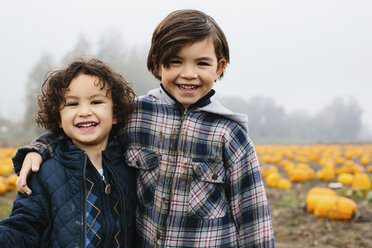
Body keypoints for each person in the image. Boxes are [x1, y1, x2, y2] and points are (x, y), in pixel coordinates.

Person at [14, 9, 275, 247]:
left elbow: (253, 218)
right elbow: (85, 129)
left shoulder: (229, 135)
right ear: (156, 63)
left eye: (202, 63)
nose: (188, 73)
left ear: (219, 68)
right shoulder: (137, 115)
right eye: (175, 62)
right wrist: (39, 148)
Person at [1, 58, 137, 247]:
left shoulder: (129, 165)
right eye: (72, 104)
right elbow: (24, 226)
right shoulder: (44, 172)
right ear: (58, 118)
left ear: (115, 114)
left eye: (96, 102)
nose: (84, 111)